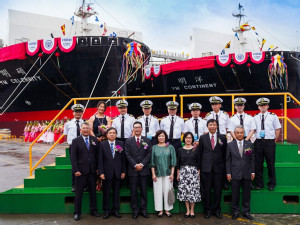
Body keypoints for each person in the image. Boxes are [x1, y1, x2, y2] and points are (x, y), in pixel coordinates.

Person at [71, 122, 100, 221]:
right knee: (79, 193)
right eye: (84, 128)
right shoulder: (75, 141)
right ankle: (77, 212)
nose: (86, 130)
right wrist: (76, 170)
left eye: (88, 128)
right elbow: (73, 158)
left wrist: (97, 169)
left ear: (90, 129)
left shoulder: (94, 140)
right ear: (80, 130)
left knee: (93, 192)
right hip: (80, 171)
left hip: (92, 171)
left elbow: (97, 156)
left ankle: (94, 210)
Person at [199, 119, 227, 219]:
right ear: (207, 126)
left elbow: (224, 154)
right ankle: (207, 210)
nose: (212, 126)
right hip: (206, 168)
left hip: (218, 169)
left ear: (217, 126)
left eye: (214, 125)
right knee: (206, 190)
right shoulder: (202, 138)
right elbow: (200, 153)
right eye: (210, 125)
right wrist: (199, 168)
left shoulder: (222, 138)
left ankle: (217, 210)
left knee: (218, 190)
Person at [226, 125, 255, 220]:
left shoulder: (249, 144)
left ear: (244, 133)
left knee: (247, 194)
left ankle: (246, 211)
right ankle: (235, 211)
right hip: (235, 173)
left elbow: (252, 159)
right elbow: (228, 160)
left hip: (247, 173)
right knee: (235, 194)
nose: (239, 134)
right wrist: (228, 172)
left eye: (241, 132)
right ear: (234, 134)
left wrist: (253, 171)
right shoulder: (230, 145)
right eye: (237, 132)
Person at [125, 121, 152, 219]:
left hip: (144, 170)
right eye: (135, 127)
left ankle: (144, 210)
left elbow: (149, 153)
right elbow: (127, 154)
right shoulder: (128, 141)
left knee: (143, 191)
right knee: (133, 192)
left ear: (142, 129)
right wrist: (135, 164)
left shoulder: (147, 140)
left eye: (139, 127)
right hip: (133, 170)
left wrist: (142, 164)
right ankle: (135, 210)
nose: (137, 129)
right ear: (133, 129)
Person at [253, 97, 281, 191]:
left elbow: (277, 129)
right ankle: (259, 184)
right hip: (258, 143)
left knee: (270, 163)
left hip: (269, 142)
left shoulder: (273, 116)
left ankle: (272, 183)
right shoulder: (255, 117)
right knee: (258, 164)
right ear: (258, 107)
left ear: (268, 106)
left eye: (264, 105)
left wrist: (274, 140)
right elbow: (253, 130)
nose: (263, 107)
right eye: (261, 105)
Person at [98, 127, 126, 219]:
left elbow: (123, 159)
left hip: (118, 172)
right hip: (106, 173)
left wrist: (123, 171)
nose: (112, 134)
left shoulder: (121, 143)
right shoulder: (102, 144)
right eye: (110, 133)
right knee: (106, 193)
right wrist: (101, 172)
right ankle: (106, 211)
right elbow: (100, 160)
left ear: (116, 134)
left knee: (116, 193)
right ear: (106, 134)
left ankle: (116, 210)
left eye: (114, 133)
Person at [150, 130, 176, 218]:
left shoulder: (170, 147)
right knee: (157, 192)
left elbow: (173, 161)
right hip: (157, 173)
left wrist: (172, 174)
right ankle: (160, 210)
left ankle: (167, 210)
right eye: (159, 136)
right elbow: (152, 162)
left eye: (163, 136)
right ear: (157, 137)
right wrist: (153, 174)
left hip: (168, 173)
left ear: (165, 137)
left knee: (167, 191)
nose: (161, 137)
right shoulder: (154, 147)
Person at [205, 96, 230, 190]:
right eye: (213, 104)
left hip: (222, 138)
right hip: (211, 137)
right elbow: (206, 129)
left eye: (216, 104)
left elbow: (227, 128)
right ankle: (212, 182)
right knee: (212, 160)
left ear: (220, 105)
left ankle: (223, 182)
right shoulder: (208, 115)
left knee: (223, 160)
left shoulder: (225, 115)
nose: (214, 106)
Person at [177, 132, 201, 219]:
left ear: (192, 139)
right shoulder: (180, 150)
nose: (188, 139)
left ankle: (192, 210)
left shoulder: (196, 149)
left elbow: (199, 163)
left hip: (193, 173)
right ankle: (187, 210)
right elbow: (178, 164)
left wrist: (199, 174)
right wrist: (178, 174)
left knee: (193, 192)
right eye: (186, 138)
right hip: (183, 172)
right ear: (184, 139)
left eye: (190, 138)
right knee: (185, 192)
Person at [63, 104, 84, 192]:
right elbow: (66, 135)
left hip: (83, 146)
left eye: (80, 112)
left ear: (82, 113)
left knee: (83, 165)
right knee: (74, 166)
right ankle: (74, 186)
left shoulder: (85, 123)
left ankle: (84, 186)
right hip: (73, 146)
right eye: (76, 112)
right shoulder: (68, 124)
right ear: (73, 113)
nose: (78, 114)